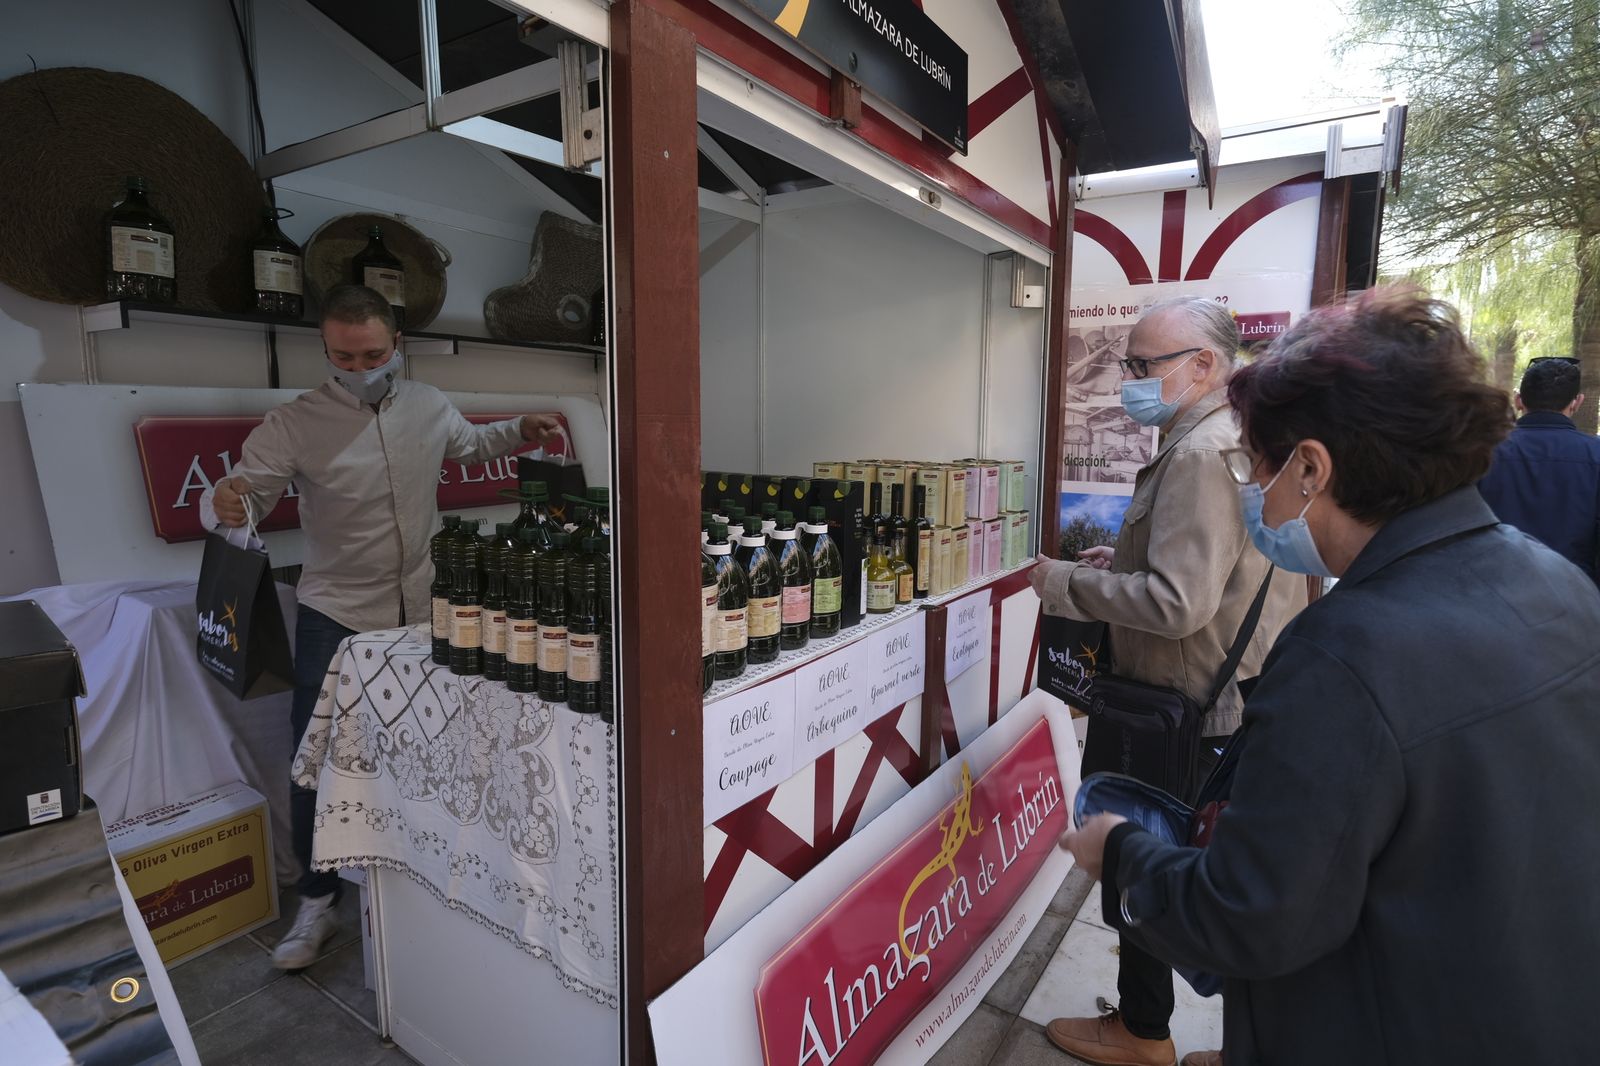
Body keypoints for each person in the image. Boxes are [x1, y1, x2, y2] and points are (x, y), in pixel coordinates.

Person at [1062, 288, 1600, 1065]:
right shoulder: (1558, 583)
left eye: (1260, 463)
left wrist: (1119, 852)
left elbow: (1250, 917)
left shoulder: (1344, 657)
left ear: (1311, 468)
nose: (1253, 488)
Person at [204, 284, 561, 970]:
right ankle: (317, 901)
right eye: (343, 356)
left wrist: (521, 428)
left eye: (371, 354)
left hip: (426, 605)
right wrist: (221, 501)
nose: (359, 367)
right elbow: (246, 492)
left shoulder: (427, 403)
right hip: (336, 610)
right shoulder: (294, 423)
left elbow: (468, 444)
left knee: (436, 741)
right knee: (314, 755)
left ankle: (423, 879)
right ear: (325, 349)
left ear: (396, 345)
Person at [1029, 296, 1305, 1066]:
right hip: (1227, 693)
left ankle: (1142, 1031)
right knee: (1202, 860)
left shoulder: (1198, 454)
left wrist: (1063, 583)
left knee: (1145, 861)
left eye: (1143, 365)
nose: (1129, 380)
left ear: (1204, 364)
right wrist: (1119, 565)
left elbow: (1178, 604)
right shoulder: (1234, 437)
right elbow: (1207, 574)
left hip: (1182, 707)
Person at [1476, 356, 1600, 583]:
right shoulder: (1595, 455)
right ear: (1577, 402)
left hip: (1493, 589)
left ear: (1518, 400)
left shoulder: (1481, 452)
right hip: (1574, 592)